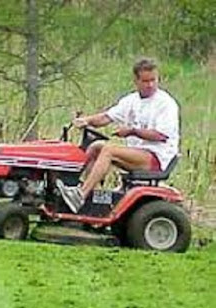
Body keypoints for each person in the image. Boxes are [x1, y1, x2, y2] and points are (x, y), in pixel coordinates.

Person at [56, 57, 180, 213]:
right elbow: (106, 117)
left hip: (156, 157)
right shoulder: (131, 100)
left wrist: (131, 131)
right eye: (145, 81)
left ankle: (80, 196)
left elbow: (161, 136)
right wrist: (86, 120)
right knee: (96, 146)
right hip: (138, 153)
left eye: (153, 80)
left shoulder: (165, 103)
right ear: (136, 81)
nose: (150, 85)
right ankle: (82, 191)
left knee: (109, 150)